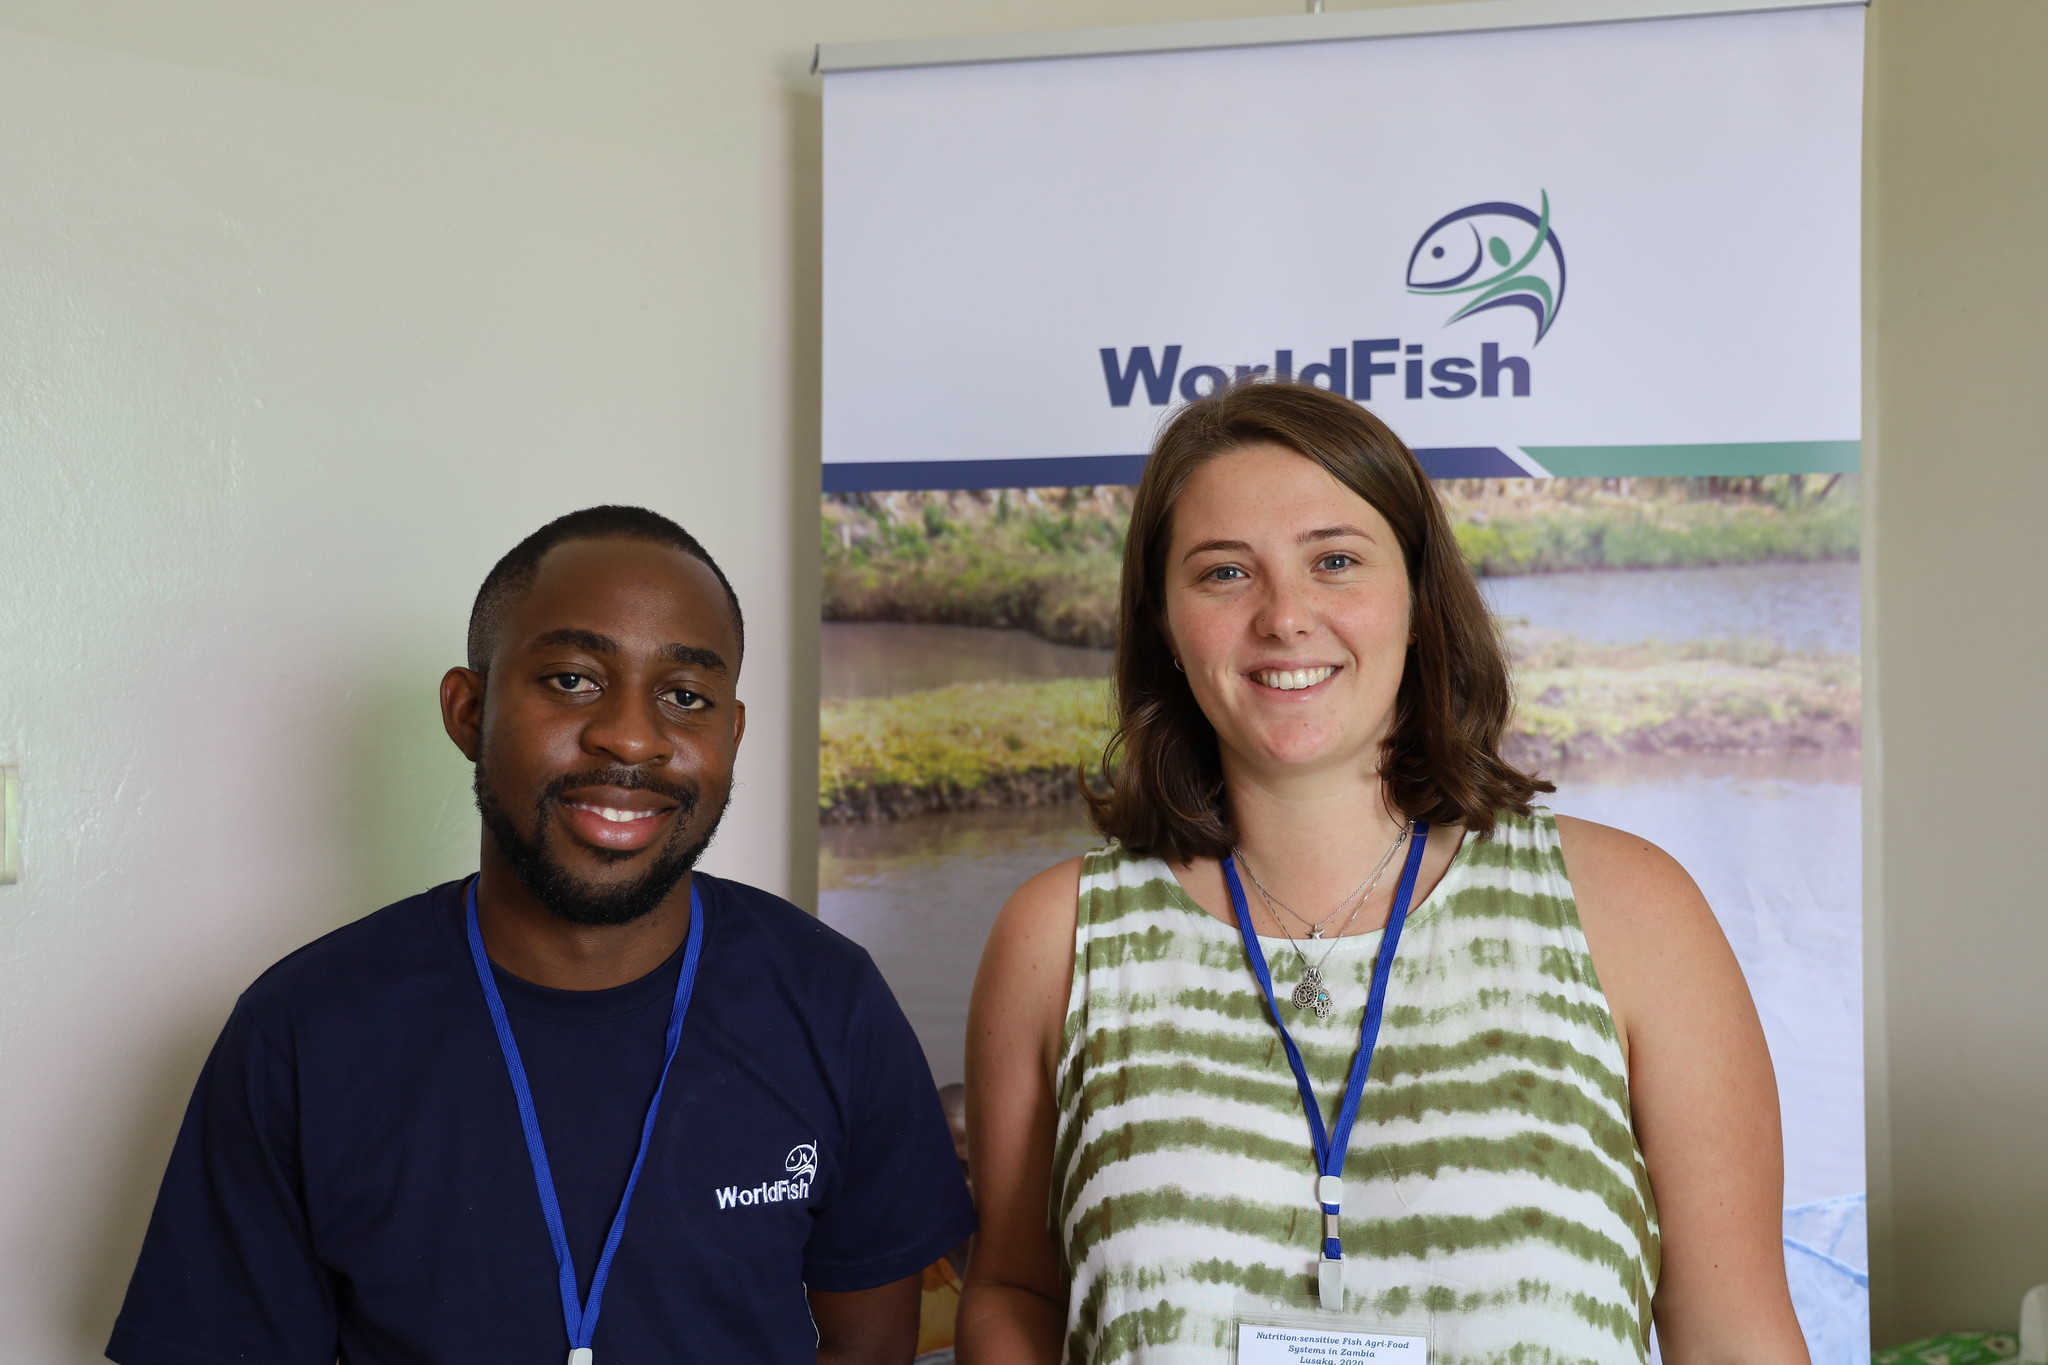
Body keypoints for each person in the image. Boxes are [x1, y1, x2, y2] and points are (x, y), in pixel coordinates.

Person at [958, 384, 1808, 1363]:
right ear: (1161, 623)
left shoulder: (1630, 914)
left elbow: (1735, 1334)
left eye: (1334, 562)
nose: (1284, 617)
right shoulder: (1056, 936)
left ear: (1415, 602)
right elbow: (1013, 1294)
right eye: (1224, 573)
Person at [109, 506, 974, 1365]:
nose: (633, 735)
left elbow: (869, 1347)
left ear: (731, 735)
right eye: (573, 679)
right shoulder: (303, 1030)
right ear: (468, 709)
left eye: (686, 696)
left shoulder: (831, 1000)